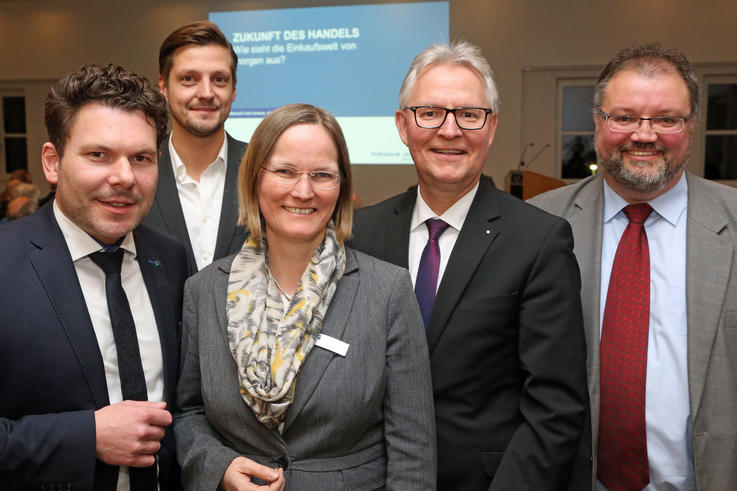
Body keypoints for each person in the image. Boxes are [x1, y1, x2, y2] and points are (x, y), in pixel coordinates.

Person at [351, 41, 589, 490]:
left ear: (491, 126)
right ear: (403, 126)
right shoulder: (361, 233)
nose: (449, 130)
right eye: (430, 113)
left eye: (468, 114)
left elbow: (555, 408)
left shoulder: (538, 241)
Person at [174, 103, 436, 490]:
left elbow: (412, 450)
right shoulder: (205, 290)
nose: (304, 190)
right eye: (285, 171)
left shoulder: (387, 291)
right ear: (254, 180)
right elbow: (188, 414)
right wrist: (220, 467)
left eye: (322, 175)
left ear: (342, 186)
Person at [530, 43, 737, 490]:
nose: (644, 135)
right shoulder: (538, 225)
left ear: (692, 126)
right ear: (598, 121)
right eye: (623, 117)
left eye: (666, 119)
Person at [0, 64, 188, 490]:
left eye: (141, 158)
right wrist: (85, 438)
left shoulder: (170, 260)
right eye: (98, 155)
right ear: (53, 162)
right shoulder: (5, 264)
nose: (123, 177)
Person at [144, 20, 247, 271]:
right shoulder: (137, 171)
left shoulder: (263, 168)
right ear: (164, 87)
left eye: (219, 79)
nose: (206, 92)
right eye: (189, 78)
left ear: (234, 90)